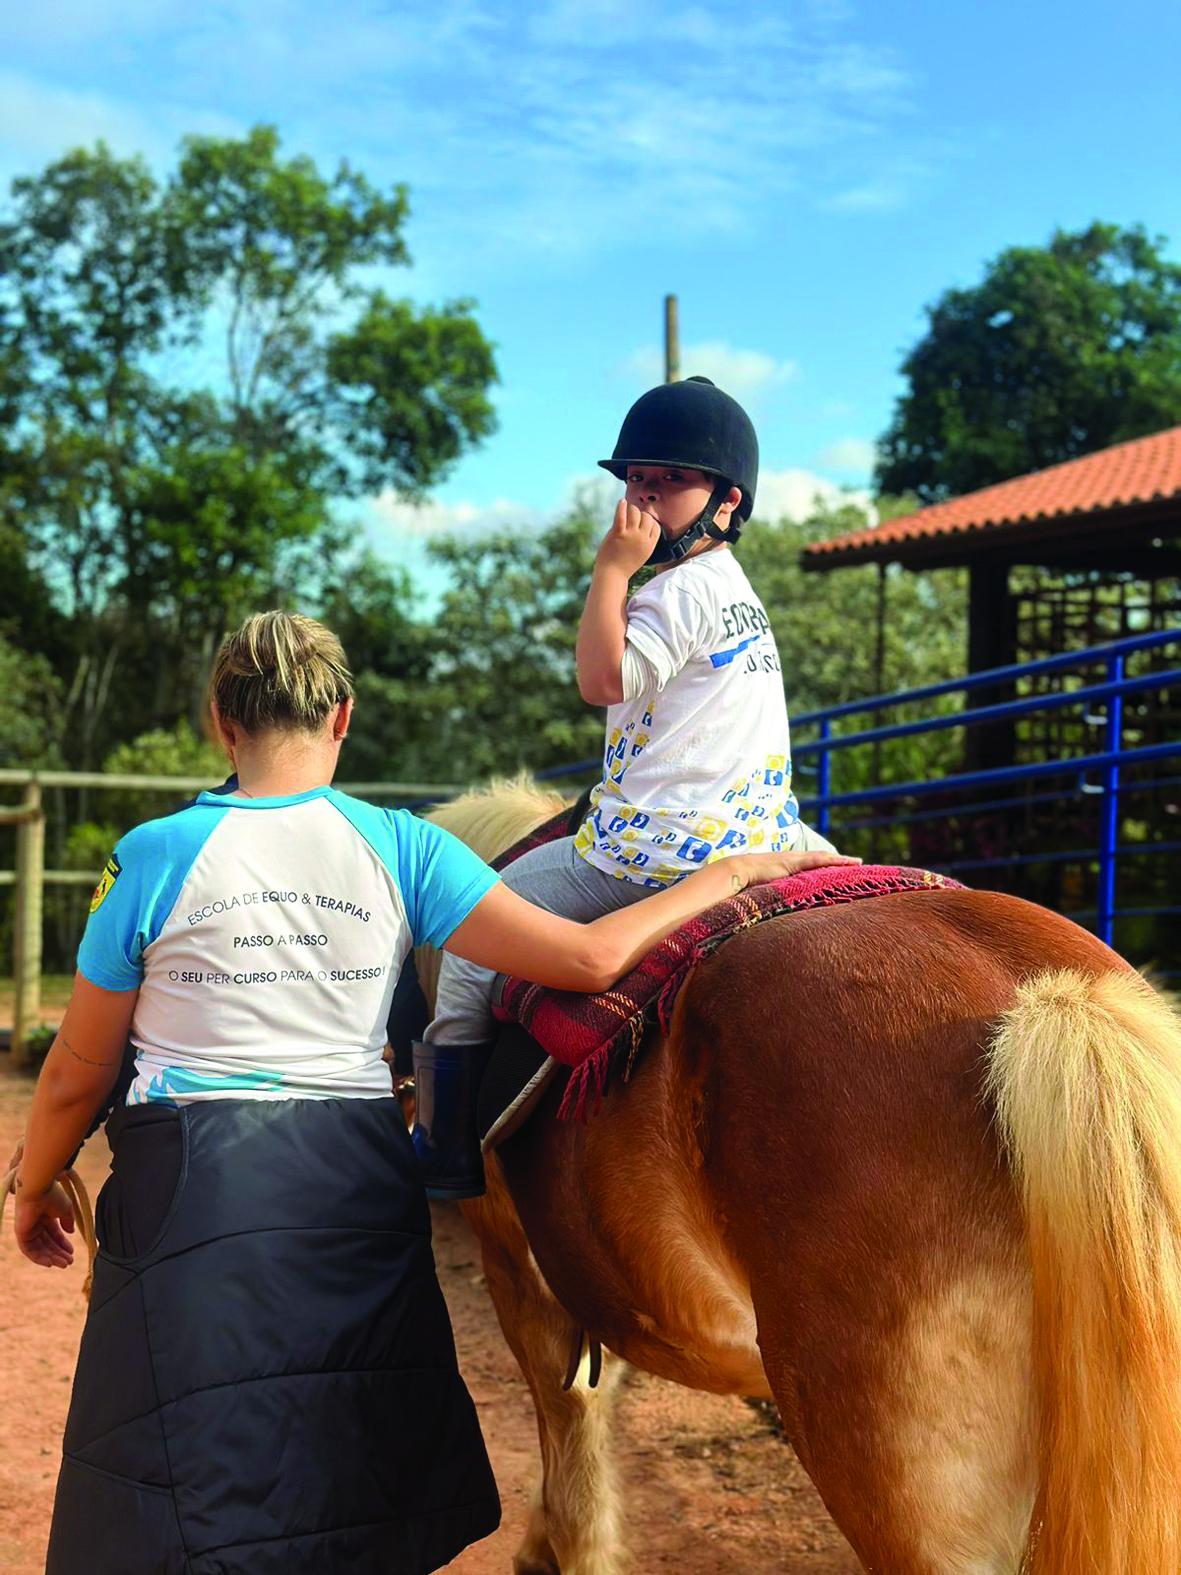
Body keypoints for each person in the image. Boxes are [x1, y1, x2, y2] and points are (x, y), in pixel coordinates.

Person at [12, 609, 853, 1575]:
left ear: (218, 718)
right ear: (343, 718)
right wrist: (738, 870)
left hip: (191, 1195)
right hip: (353, 1185)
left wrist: (36, 1184)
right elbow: (587, 955)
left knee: (173, 1497)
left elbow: (77, 1069)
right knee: (347, 1486)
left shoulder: (152, 855)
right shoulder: (403, 848)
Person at [416, 376, 847, 1195]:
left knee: (472, 938)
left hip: (648, 856)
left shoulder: (669, 592)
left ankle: (442, 1149)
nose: (644, 495)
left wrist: (611, 571)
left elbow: (600, 678)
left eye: (668, 481)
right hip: (768, 836)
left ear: (726, 500)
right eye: (635, 480)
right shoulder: (736, 594)